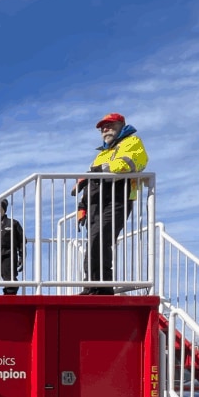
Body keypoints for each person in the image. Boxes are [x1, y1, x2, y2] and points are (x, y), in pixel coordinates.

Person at [73, 112, 149, 295]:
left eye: (109, 125)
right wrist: (82, 207)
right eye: (102, 128)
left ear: (121, 125)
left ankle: (103, 288)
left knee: (100, 240)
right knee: (93, 242)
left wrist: (98, 171)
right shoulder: (102, 154)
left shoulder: (131, 142)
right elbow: (92, 181)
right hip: (95, 204)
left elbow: (130, 163)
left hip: (117, 198)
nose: (105, 129)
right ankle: (91, 286)